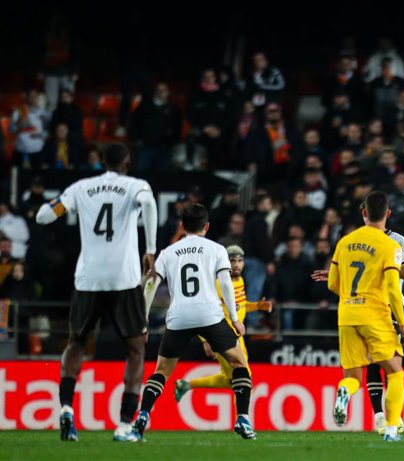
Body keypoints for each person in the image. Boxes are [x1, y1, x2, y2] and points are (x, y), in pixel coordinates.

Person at [34, 143, 158, 442]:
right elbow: (150, 205)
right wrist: (151, 249)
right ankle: (125, 424)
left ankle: (66, 409)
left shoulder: (81, 188)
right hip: (123, 281)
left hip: (88, 279)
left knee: (76, 342)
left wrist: (58, 206)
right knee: (136, 349)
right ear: (127, 162)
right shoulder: (135, 185)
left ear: (102, 161)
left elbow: (42, 217)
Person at [132, 204, 256, 441]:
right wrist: (234, 318)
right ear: (206, 227)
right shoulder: (217, 249)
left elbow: (150, 285)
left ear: (182, 226)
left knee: (162, 371)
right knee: (239, 363)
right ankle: (243, 418)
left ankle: (143, 415)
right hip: (210, 316)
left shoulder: (168, 252)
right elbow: (227, 285)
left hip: (178, 317)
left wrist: (143, 321)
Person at [311, 201, 404, 434]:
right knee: (393, 366)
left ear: (365, 213)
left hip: (349, 312)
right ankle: (389, 421)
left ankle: (358, 400)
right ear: (386, 213)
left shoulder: (351, 242)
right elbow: (390, 286)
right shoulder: (386, 245)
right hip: (383, 309)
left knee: (361, 370)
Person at [174, 245, 272, 408]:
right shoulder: (218, 283)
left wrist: (257, 306)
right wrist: (205, 339)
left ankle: (186, 385)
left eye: (240, 261)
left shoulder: (239, 281)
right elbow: (203, 309)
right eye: (232, 261)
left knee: (231, 380)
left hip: (237, 337)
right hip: (222, 337)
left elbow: (237, 306)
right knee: (243, 377)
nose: (236, 265)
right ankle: (242, 421)